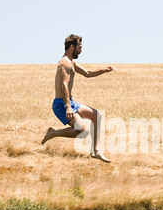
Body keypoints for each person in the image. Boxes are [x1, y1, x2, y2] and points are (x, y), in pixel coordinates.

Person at [41, 34, 115, 163]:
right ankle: (53, 133)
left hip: (70, 101)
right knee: (83, 131)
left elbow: (87, 73)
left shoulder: (71, 62)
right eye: (79, 47)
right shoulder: (65, 63)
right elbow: (63, 84)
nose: (81, 51)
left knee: (96, 115)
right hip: (62, 104)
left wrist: (105, 70)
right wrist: (68, 106)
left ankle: (96, 150)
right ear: (71, 47)